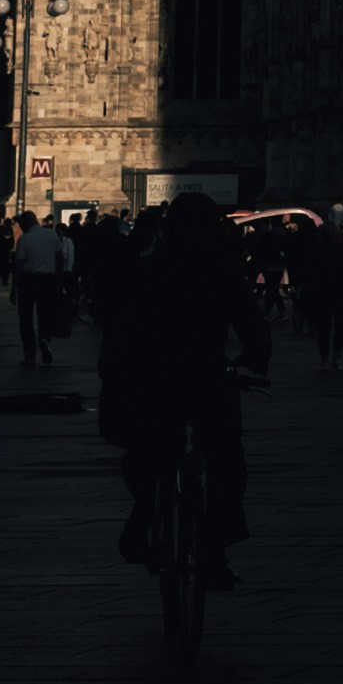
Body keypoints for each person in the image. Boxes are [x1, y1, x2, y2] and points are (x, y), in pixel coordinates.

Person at [96, 193, 271, 586]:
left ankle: (144, 517)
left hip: (154, 378)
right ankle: (214, 549)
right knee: (226, 459)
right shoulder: (221, 270)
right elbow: (249, 320)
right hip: (206, 376)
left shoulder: (148, 269)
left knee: (144, 454)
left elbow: (120, 329)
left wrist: (115, 371)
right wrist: (255, 357)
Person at [12, 207, 75, 365]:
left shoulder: (24, 239)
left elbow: (18, 265)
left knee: (25, 317)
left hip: (28, 280)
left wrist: (14, 288)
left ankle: (30, 353)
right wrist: (59, 279)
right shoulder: (52, 235)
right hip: (48, 279)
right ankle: (45, 339)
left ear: (25, 225)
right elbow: (59, 258)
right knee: (45, 314)